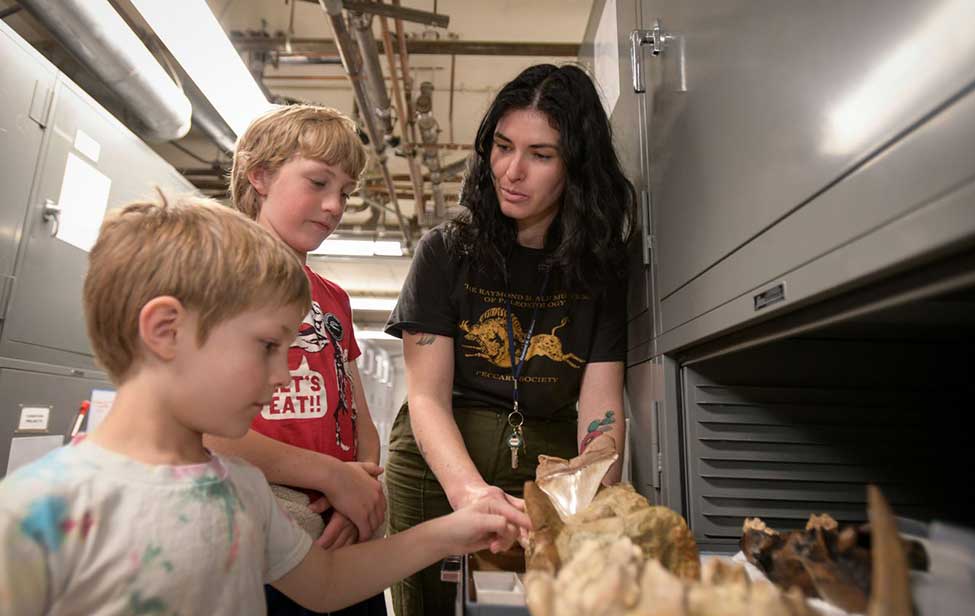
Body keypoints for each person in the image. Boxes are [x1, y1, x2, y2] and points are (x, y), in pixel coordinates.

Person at [0, 194, 528, 615]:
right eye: (268, 347)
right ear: (167, 330)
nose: (283, 376)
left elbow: (325, 585)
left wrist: (458, 529)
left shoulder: (241, 490)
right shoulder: (35, 513)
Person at [384, 63, 638, 615]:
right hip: (439, 469)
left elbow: (600, 405)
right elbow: (426, 398)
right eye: (502, 147)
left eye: (541, 155)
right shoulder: (445, 252)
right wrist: (469, 493)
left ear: (577, 168)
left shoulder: (600, 271)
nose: (512, 171)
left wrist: (591, 488)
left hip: (544, 470)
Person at [205, 104, 386, 616]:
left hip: (342, 520)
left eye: (346, 193)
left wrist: (360, 485)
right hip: (255, 522)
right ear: (259, 175)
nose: (334, 206)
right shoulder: (219, 274)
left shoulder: (333, 298)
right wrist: (332, 477)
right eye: (318, 182)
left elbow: (358, 415)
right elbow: (206, 430)